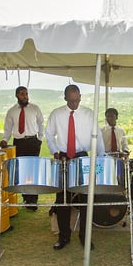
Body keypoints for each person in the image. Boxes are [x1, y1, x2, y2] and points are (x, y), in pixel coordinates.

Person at [45, 84, 104, 250]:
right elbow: (49, 134)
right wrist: (55, 151)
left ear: (80, 98)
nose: (74, 104)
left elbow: (97, 136)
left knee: (85, 199)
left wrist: (101, 156)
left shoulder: (88, 114)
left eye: (77, 100)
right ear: (65, 98)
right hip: (63, 157)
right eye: (71, 101)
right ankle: (64, 236)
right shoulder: (57, 114)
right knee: (62, 200)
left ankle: (85, 237)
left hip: (82, 157)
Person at [0, 86, 45, 210]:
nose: (25, 96)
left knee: (33, 171)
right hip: (18, 143)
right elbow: (8, 128)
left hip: (33, 141)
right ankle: (26, 198)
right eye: (22, 94)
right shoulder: (12, 111)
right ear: (17, 96)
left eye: (26, 93)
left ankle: (33, 201)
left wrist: (40, 139)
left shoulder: (35, 108)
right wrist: (4, 139)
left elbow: (41, 124)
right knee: (22, 171)